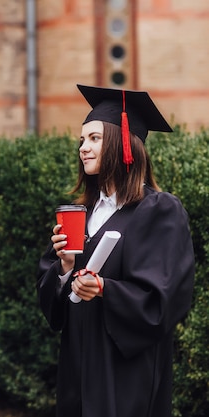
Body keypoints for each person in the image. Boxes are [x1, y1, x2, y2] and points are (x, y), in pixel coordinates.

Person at [37, 84, 195, 417]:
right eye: (81, 140)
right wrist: (63, 269)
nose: (83, 148)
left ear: (125, 144)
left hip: (125, 368)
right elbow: (54, 304)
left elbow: (165, 297)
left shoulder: (158, 210)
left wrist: (106, 289)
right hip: (77, 363)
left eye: (94, 138)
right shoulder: (82, 213)